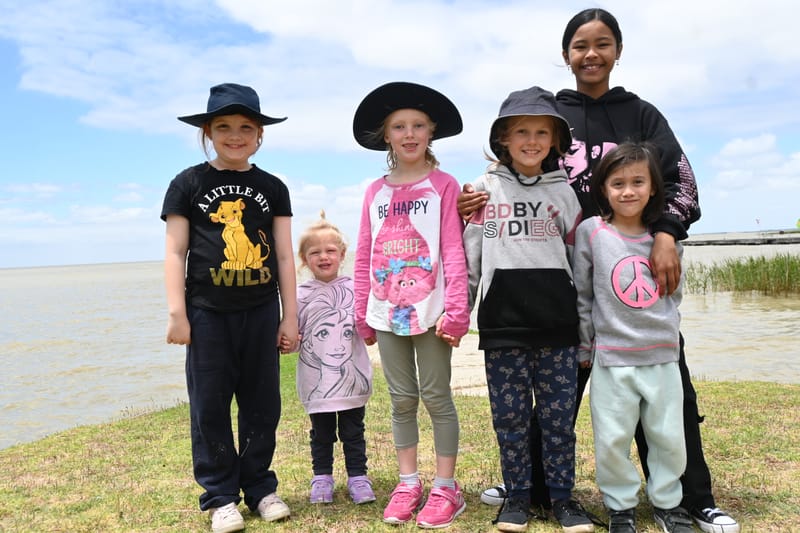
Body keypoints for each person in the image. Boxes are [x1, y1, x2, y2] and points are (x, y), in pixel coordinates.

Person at [465, 9, 740, 533]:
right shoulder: (553, 113)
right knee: (560, 395)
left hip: (632, 275)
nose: (591, 54)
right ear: (566, 53)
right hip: (563, 273)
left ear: (617, 50)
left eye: (603, 43)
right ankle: (535, 487)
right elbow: (510, 179)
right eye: (580, 45)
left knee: (667, 388)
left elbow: (682, 183)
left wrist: (665, 234)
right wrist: (471, 202)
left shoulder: (641, 114)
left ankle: (690, 495)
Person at [162, 82, 297, 533]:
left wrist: (290, 314)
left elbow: (281, 255)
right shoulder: (188, 183)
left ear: (259, 134)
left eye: (245, 127)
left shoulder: (272, 187)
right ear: (207, 132)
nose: (234, 135)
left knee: (263, 404)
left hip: (260, 311)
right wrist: (177, 313)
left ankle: (260, 487)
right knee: (209, 406)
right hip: (205, 314)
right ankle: (220, 496)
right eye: (223, 126)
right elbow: (175, 252)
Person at [463, 86, 596, 533]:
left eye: (543, 132)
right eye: (522, 131)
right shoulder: (482, 190)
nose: (532, 140)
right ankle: (517, 498)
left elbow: (579, 267)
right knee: (511, 421)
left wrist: (584, 331)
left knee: (559, 422)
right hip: (502, 328)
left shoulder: (566, 195)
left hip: (558, 328)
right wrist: (458, 314)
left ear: (556, 141)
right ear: (503, 137)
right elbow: (471, 261)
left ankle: (563, 499)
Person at [352, 81, 471, 529]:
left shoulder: (443, 184)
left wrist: (456, 310)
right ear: (386, 135)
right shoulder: (373, 192)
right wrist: (363, 313)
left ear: (431, 132)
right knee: (401, 400)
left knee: (437, 397)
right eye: (399, 126)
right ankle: (408, 483)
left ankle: (446, 487)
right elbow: (365, 252)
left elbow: (453, 249)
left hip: (433, 311)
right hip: (386, 311)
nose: (409, 133)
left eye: (418, 125)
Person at [574, 142, 692, 533]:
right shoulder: (593, 232)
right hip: (612, 358)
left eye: (638, 182)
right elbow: (583, 294)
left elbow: (673, 293)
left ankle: (668, 503)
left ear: (654, 187)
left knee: (668, 437)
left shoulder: (664, 238)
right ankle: (620, 506)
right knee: (611, 438)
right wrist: (585, 344)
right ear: (602, 189)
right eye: (618, 183)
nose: (628, 191)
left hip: (661, 356)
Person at [293, 211, 376, 505]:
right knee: (321, 433)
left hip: (353, 381)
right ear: (304, 259)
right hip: (316, 381)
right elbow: (291, 337)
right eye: (314, 252)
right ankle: (322, 477)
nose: (323, 257)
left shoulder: (357, 288)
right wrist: (288, 339)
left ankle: (358, 477)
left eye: (330, 250)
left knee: (354, 432)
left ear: (342, 254)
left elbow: (369, 328)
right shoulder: (298, 295)